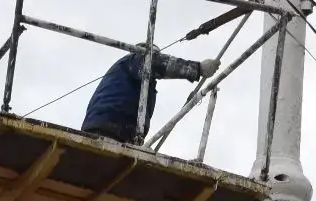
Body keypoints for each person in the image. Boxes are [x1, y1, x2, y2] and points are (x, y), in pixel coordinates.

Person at [81, 51, 218, 145]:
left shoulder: (129, 76)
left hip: (111, 130)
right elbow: (157, 63)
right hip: (110, 129)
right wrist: (197, 68)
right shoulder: (134, 60)